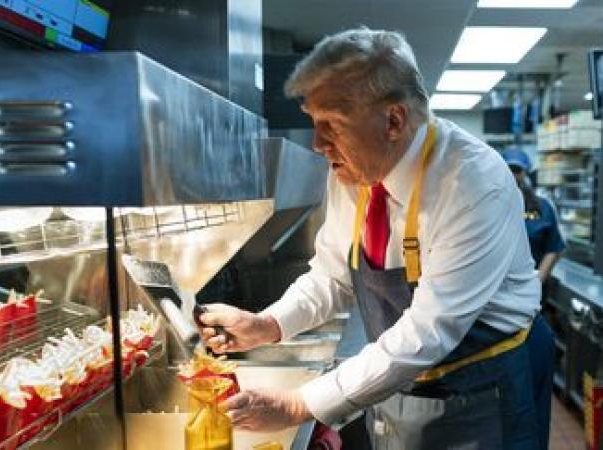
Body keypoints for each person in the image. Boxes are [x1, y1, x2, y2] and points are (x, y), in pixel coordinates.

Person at [199, 27, 554, 449]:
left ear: (393, 120)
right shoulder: (356, 172)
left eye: (331, 124)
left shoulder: (472, 182)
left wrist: (300, 404)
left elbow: (429, 332)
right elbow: (330, 276)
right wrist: (268, 324)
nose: (317, 144)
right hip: (401, 379)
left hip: (481, 389)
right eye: (314, 124)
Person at [502, 148, 565, 283]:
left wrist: (536, 283)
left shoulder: (542, 208)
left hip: (530, 285)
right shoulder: (489, 205)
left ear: (525, 173)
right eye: (508, 169)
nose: (512, 175)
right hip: (495, 288)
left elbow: (553, 248)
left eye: (517, 170)